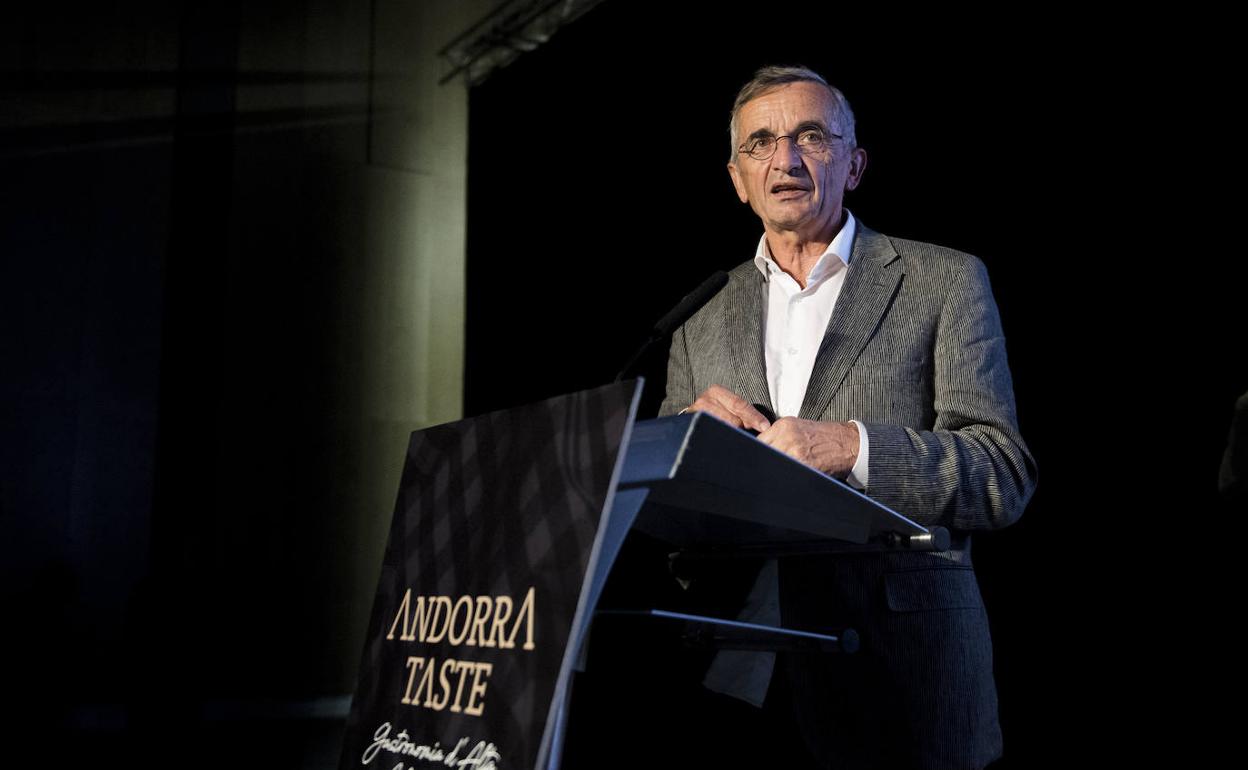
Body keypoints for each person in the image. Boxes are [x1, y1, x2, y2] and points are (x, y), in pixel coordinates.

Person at [658, 65, 1039, 769]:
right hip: (741, 674)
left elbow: (1000, 473)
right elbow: (668, 527)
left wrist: (848, 447)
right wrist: (683, 451)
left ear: (855, 164)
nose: (786, 158)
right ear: (738, 178)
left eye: (811, 135)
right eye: (761, 143)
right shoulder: (698, 317)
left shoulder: (943, 280)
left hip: (902, 672)